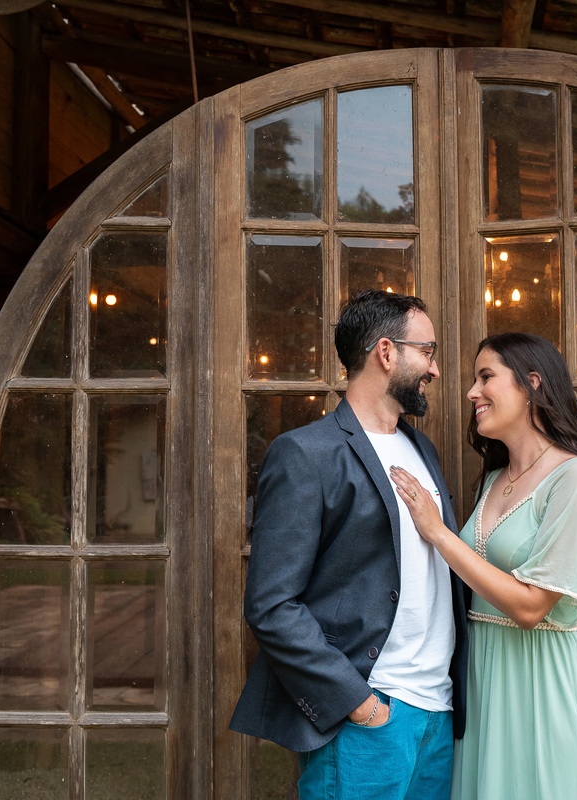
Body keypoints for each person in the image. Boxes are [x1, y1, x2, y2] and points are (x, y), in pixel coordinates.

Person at [229, 289, 469, 800]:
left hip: (438, 715)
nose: (435, 368)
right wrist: (360, 705)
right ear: (386, 352)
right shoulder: (305, 453)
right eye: (427, 351)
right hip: (369, 719)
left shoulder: (422, 448)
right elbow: (271, 604)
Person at [389, 331, 577, 800]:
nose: (472, 392)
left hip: (544, 684)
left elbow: (532, 607)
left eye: (486, 377)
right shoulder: (492, 479)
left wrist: (438, 532)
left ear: (532, 383)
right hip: (483, 681)